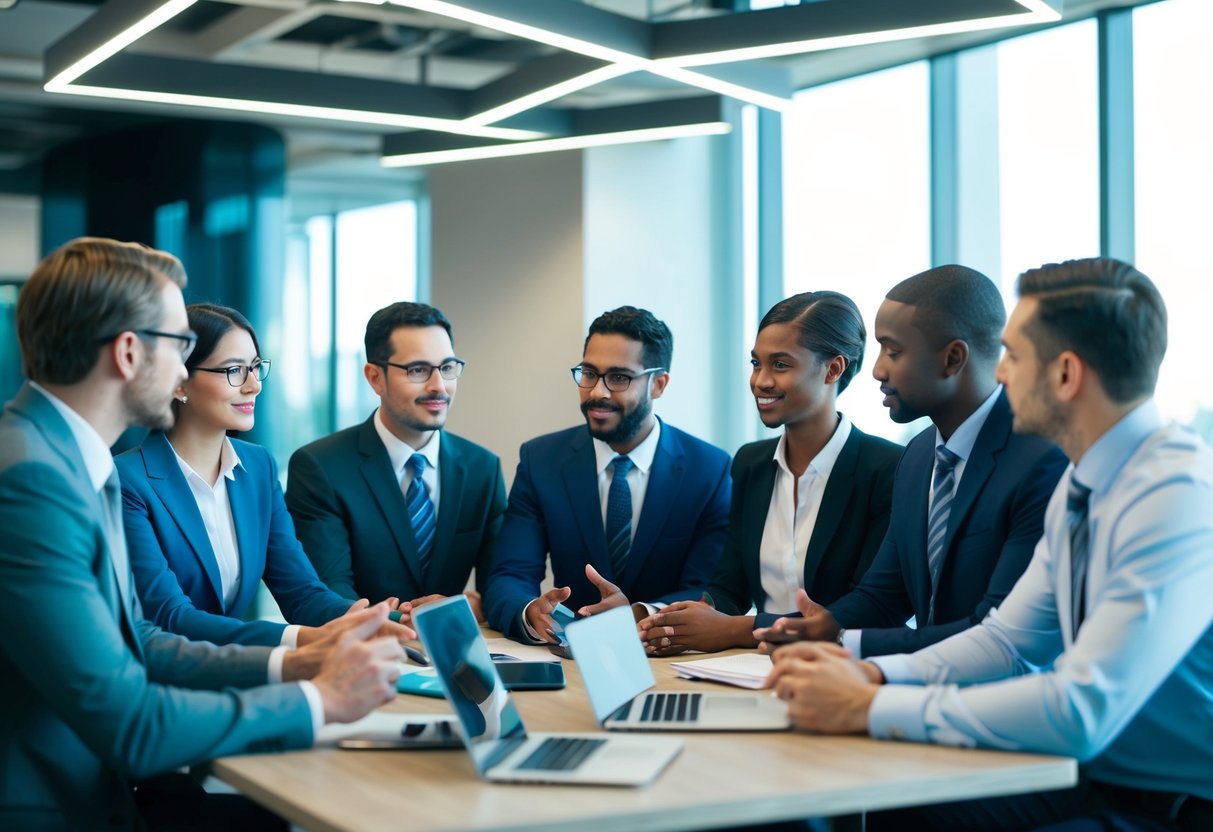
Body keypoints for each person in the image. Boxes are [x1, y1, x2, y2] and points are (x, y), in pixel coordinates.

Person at [768, 257, 1213, 832]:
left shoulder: (1173, 492)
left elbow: (1082, 709)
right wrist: (876, 677)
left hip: (1169, 801)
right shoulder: (1086, 481)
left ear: (1066, 374)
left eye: (1014, 355)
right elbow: (1007, 641)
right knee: (892, 809)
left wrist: (869, 706)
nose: (998, 375)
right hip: (1090, 773)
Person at [0, 238, 404, 831]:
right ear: (130, 352)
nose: (186, 365)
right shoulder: (34, 477)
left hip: (96, 782)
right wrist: (321, 698)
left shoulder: (67, 457)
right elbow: (131, 724)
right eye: (180, 344)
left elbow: (136, 635)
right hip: (51, 805)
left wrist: (296, 661)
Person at [757, 265, 1067, 658]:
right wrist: (822, 625)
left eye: (893, 351)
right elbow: (885, 596)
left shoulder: (1042, 461)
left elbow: (997, 633)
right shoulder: (919, 456)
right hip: (925, 690)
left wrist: (843, 641)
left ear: (952, 359)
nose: (876, 369)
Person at [636, 292, 902, 655]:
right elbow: (729, 588)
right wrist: (658, 618)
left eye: (780, 365)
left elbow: (863, 610)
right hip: (753, 667)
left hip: (840, 669)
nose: (760, 381)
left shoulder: (887, 468)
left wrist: (737, 630)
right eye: (756, 363)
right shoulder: (751, 463)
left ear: (833, 369)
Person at [117, 303, 384, 650]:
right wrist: (304, 637)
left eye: (256, 368)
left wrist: (375, 618)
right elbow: (169, 616)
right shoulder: (128, 481)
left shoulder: (258, 467)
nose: (254, 385)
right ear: (179, 383)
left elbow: (300, 591)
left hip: (229, 673)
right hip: (156, 681)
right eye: (234, 371)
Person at [485, 305, 731, 644]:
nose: (597, 392)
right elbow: (509, 574)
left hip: (669, 659)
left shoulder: (710, 469)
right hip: (570, 658)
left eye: (618, 378)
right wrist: (530, 612)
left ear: (658, 384)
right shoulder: (541, 461)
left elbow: (710, 589)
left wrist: (641, 614)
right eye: (589, 373)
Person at [286, 302, 507, 622]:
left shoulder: (481, 468)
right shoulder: (320, 467)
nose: (438, 386)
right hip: (359, 654)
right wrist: (404, 620)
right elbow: (328, 592)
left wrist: (481, 605)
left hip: (454, 658)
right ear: (375, 377)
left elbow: (498, 585)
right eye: (418, 370)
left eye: (447, 368)